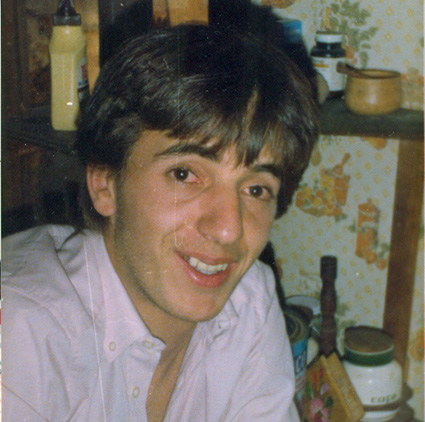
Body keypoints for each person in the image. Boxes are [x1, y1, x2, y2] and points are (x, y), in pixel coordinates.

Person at [2, 23, 317, 421]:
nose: (228, 229)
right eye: (184, 174)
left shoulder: (248, 303)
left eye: (256, 189)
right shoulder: (20, 334)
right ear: (104, 183)